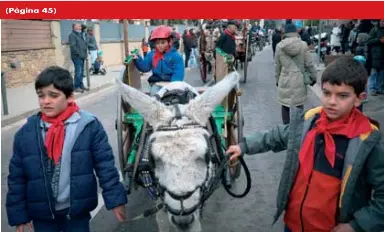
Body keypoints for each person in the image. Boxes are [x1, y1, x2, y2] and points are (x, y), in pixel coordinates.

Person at [227, 57, 384, 232]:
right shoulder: (310, 121)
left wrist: (356, 225)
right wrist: (244, 146)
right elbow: (277, 136)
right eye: (326, 93)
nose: (331, 101)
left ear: (359, 99)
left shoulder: (367, 141)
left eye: (342, 96)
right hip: (293, 224)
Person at [6, 66, 127, 232]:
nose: (46, 101)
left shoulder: (88, 126)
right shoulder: (26, 133)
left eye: (53, 95)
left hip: (77, 212)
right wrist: (19, 215)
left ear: (70, 97)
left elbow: (105, 165)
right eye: (41, 95)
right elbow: (17, 178)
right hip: (42, 215)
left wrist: (116, 199)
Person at [275, 23, 317, 125]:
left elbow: (277, 66)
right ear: (296, 32)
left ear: (285, 32)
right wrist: (314, 77)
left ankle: (286, 127)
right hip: (299, 79)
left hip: (284, 78)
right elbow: (309, 64)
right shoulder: (303, 45)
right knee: (298, 104)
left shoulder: (279, 46)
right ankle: (298, 127)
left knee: (285, 105)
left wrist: (277, 79)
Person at [133, 25, 184, 95]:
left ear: (169, 42)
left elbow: (178, 73)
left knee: (171, 99)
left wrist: (172, 87)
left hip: (171, 83)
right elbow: (145, 67)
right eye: (157, 43)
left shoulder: (175, 55)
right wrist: (137, 59)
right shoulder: (152, 54)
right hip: (157, 83)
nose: (160, 45)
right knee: (154, 98)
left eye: (163, 42)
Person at [68, 22, 89, 93]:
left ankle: (81, 85)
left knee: (81, 72)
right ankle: (76, 87)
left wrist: (84, 55)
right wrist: (79, 54)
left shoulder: (80, 34)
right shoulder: (72, 35)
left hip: (82, 56)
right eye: (79, 26)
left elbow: (83, 45)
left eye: (80, 26)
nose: (80, 26)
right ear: (74, 27)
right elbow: (73, 47)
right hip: (77, 57)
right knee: (78, 72)